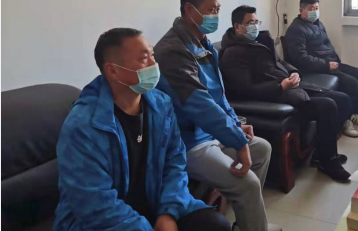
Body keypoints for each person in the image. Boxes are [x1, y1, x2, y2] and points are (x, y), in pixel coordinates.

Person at [54, 28, 230, 231]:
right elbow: (94, 204)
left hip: (154, 206)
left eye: (152, 55)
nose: (154, 64)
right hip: (104, 223)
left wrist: (168, 213)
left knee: (216, 225)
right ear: (113, 71)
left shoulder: (161, 105)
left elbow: (174, 163)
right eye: (144, 59)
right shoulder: (83, 126)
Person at [154, 0, 280, 231]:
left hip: (210, 132)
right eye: (211, 10)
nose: (215, 16)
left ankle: (247, 222)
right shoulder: (172, 51)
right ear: (190, 10)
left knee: (262, 148)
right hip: (187, 143)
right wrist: (237, 140)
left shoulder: (204, 44)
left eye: (218, 9)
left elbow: (219, 96)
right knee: (248, 184)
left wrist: (236, 125)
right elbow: (200, 104)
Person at [219, 5, 352, 183]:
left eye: (256, 22)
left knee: (342, 99)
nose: (255, 26)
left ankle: (322, 153)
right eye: (250, 23)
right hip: (276, 95)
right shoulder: (233, 53)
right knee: (328, 105)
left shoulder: (260, 41)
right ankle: (328, 162)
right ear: (237, 26)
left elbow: (280, 62)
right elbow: (244, 89)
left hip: (291, 86)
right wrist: (280, 87)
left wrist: (294, 72)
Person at [285, 0, 358, 138]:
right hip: (316, 68)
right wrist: (326, 65)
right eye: (311, 8)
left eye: (317, 8)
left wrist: (335, 61)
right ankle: (344, 121)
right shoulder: (296, 29)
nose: (315, 11)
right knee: (352, 83)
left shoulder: (318, 24)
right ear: (301, 10)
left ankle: (352, 114)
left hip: (331, 63)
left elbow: (327, 46)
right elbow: (300, 58)